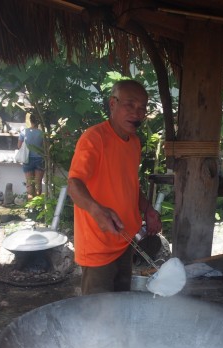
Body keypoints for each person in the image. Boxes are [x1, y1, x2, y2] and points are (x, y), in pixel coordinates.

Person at [67, 79, 161, 295]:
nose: (137, 113)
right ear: (113, 104)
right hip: (98, 245)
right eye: (130, 105)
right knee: (97, 314)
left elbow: (130, 185)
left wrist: (147, 209)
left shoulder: (134, 142)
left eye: (142, 108)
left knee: (120, 306)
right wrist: (96, 210)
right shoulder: (94, 138)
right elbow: (74, 185)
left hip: (124, 241)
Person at [18, 114, 45, 199]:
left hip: (27, 159)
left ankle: (30, 206)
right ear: (39, 122)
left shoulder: (24, 132)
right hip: (39, 159)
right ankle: (38, 205)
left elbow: (19, 146)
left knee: (29, 183)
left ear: (30, 121)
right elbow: (45, 147)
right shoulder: (41, 133)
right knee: (38, 182)